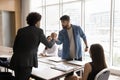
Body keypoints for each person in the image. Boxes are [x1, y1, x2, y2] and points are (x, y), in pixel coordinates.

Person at [10, 12, 55, 80]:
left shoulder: (21, 30)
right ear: (37, 22)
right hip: (27, 62)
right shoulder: (39, 31)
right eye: (39, 21)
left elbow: (14, 47)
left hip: (16, 60)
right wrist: (53, 39)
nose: (40, 23)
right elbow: (49, 45)